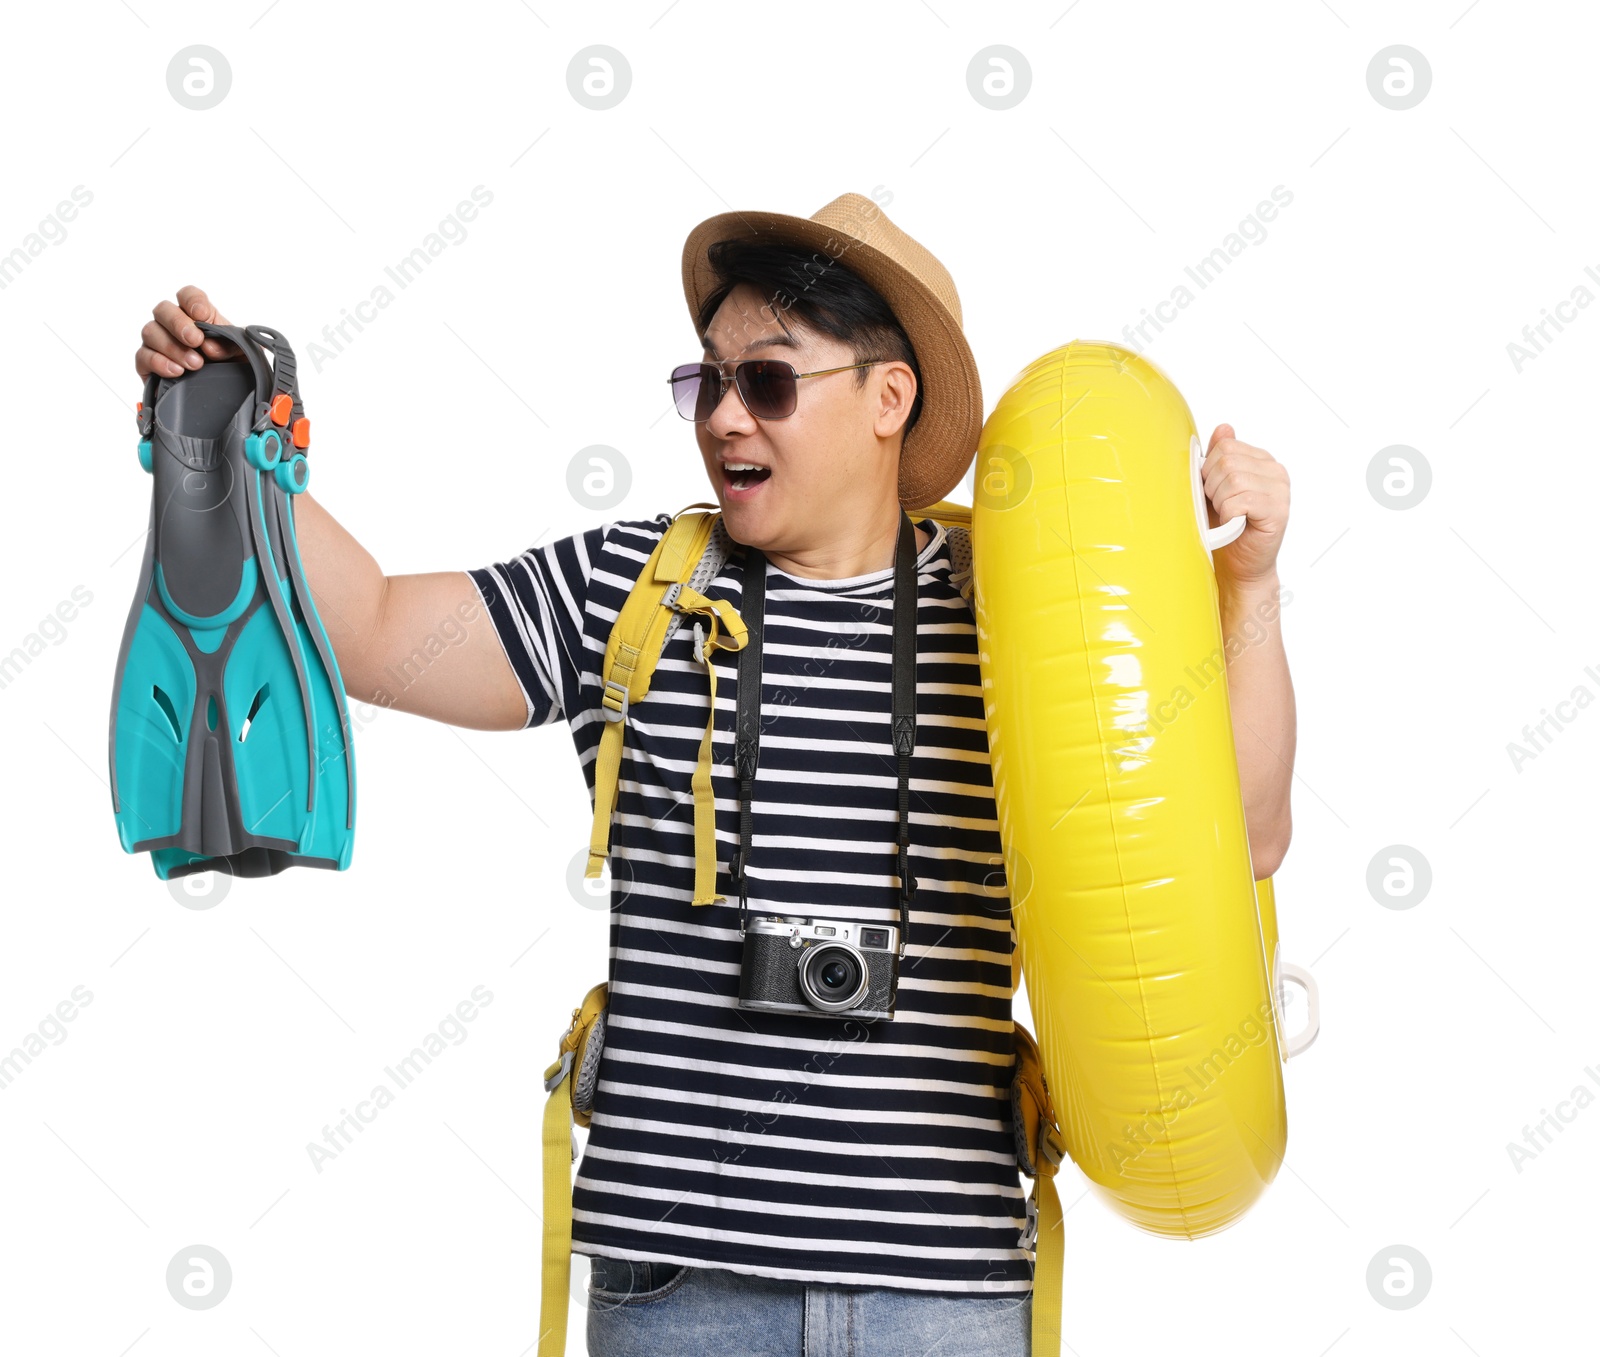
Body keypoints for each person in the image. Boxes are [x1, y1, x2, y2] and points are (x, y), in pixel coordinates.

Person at [134, 192, 1295, 1357]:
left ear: (890, 399)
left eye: (771, 382)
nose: (725, 416)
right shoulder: (632, 588)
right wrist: (228, 448)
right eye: (708, 382)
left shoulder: (1023, 607)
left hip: (948, 1294)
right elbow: (379, 628)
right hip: (682, 1296)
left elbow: (1239, 836)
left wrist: (1244, 585)